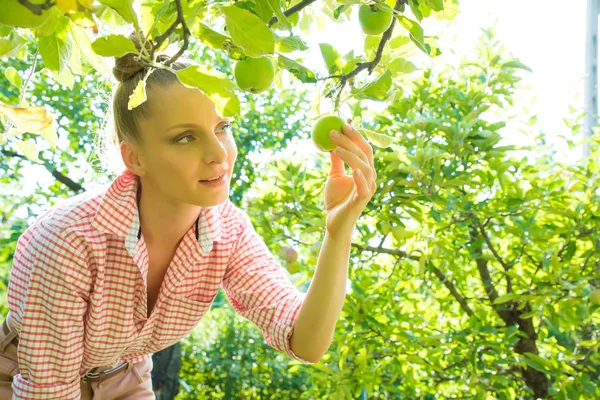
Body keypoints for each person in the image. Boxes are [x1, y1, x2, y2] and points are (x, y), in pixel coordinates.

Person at [0, 35, 377, 399]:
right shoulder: (68, 239)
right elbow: (46, 390)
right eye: (186, 137)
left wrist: (338, 230)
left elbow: (305, 341)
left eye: (222, 128)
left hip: (123, 379)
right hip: (23, 379)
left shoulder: (228, 232)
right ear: (135, 158)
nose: (219, 154)